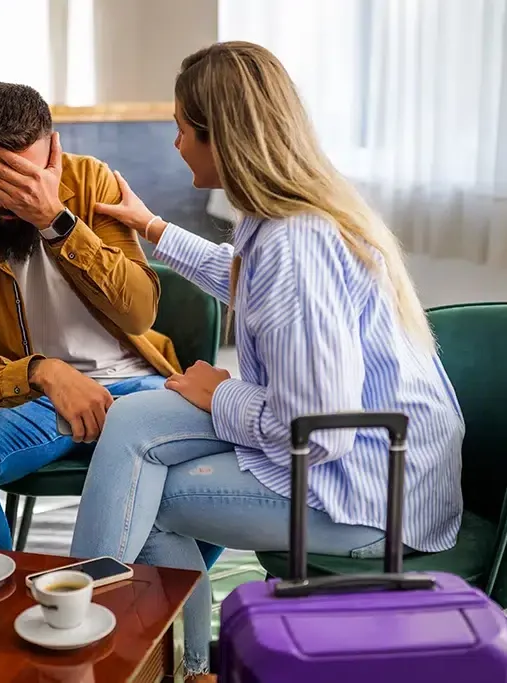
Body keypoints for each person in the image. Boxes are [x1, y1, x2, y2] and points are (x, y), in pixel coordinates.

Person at [69, 42, 465, 680]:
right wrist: (153, 227)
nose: (174, 143)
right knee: (134, 424)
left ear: (220, 136)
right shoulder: (285, 220)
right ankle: (176, 662)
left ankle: (91, 651)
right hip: (377, 464)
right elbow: (249, 283)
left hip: (369, 495)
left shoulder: (294, 244)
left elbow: (316, 429)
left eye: (181, 128)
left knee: (148, 501)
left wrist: (219, 391)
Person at [0, 82, 199, 552]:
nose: (9, 197)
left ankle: (147, 598)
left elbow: (139, 312)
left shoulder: (92, 182)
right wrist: (43, 372)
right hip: (28, 398)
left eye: (25, 176)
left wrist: (55, 220)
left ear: (52, 153)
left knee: (238, 451)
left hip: (132, 386)